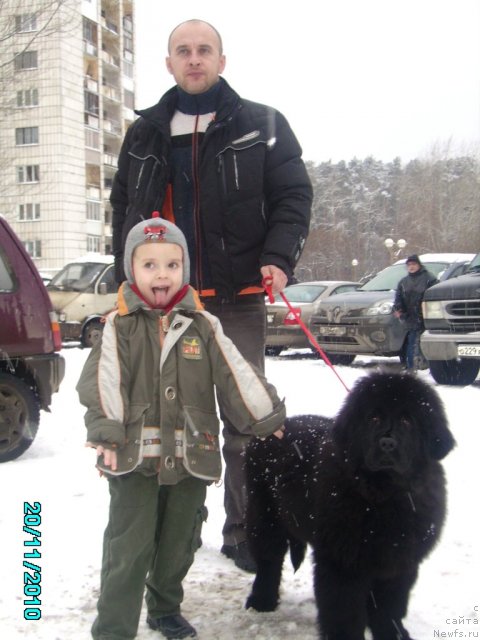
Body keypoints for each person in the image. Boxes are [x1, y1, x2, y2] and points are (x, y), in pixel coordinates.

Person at [110, 18, 312, 572]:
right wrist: (122, 275)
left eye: (204, 51)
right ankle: (173, 530)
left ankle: (247, 530)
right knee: (167, 419)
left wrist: (278, 258)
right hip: (163, 301)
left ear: (222, 61)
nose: (194, 59)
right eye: (183, 51)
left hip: (237, 295)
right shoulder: (145, 133)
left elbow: (293, 195)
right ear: (168, 63)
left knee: (246, 420)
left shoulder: (261, 124)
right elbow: (123, 209)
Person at [77, 215, 286, 640]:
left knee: (180, 542)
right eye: (149, 264)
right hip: (134, 457)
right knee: (128, 547)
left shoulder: (203, 325)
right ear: (131, 270)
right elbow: (102, 382)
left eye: (172, 265)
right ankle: (114, 626)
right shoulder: (119, 326)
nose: (162, 275)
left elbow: (236, 375)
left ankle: (165, 606)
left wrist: (266, 419)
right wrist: (107, 434)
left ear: (185, 271)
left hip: (192, 454)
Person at [393, 254, 438, 371]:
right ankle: (411, 368)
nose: (411, 267)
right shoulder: (404, 282)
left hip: (428, 318)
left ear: (419, 265)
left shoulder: (429, 278)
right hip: (411, 319)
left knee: (429, 345)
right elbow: (398, 299)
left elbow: (436, 296)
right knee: (412, 344)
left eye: (413, 264)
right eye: (409, 265)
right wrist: (398, 310)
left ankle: (431, 367)